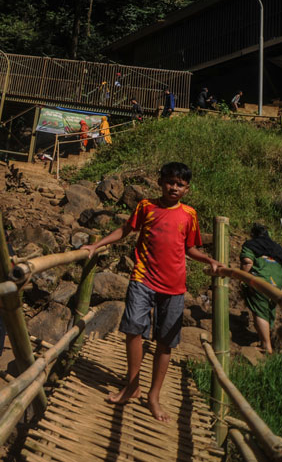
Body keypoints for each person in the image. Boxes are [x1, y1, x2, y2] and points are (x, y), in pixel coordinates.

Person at [80, 162, 221, 422]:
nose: (174, 188)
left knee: (165, 342)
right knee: (133, 329)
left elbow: (190, 249)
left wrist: (209, 261)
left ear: (187, 189)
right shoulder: (146, 207)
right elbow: (125, 230)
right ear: (160, 182)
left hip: (174, 286)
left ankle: (153, 396)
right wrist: (96, 244)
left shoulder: (189, 214)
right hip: (142, 279)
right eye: (170, 182)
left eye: (180, 185)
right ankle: (132, 386)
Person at [241, 223, 282, 354]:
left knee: (260, 311)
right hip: (279, 285)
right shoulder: (276, 248)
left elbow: (247, 261)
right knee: (270, 309)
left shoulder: (250, 244)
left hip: (261, 281)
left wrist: (243, 278)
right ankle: (267, 340)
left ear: (253, 235)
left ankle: (266, 346)